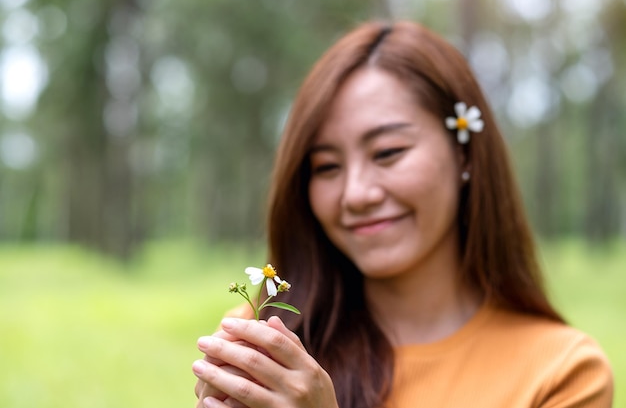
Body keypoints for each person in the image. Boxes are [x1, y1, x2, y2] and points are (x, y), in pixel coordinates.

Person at [191, 21, 614, 408]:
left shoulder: (563, 372)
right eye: (326, 167)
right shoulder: (266, 342)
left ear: (463, 152)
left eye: (388, 153)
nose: (355, 194)